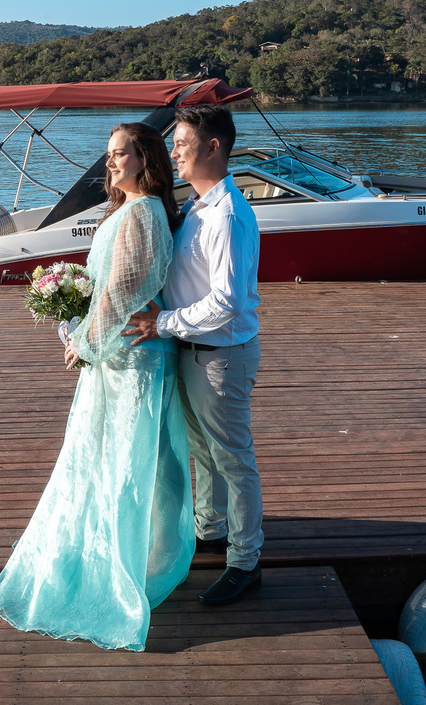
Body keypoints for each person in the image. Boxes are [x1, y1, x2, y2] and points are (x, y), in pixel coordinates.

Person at [0, 122, 194, 652]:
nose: (110, 163)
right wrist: (79, 324)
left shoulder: (144, 212)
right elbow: (109, 288)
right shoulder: (130, 211)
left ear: (144, 158)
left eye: (119, 154)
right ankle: (125, 550)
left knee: (126, 462)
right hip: (118, 355)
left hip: (132, 359)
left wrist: (83, 341)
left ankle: (128, 569)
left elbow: (123, 290)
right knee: (105, 458)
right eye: (108, 155)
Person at [124, 105, 263, 606]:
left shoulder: (226, 216)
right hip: (191, 347)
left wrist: (161, 323)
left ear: (213, 147)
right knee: (203, 451)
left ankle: (246, 562)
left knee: (232, 460)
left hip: (220, 354)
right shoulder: (199, 206)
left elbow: (226, 302)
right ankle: (211, 530)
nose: (175, 152)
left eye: (182, 143)